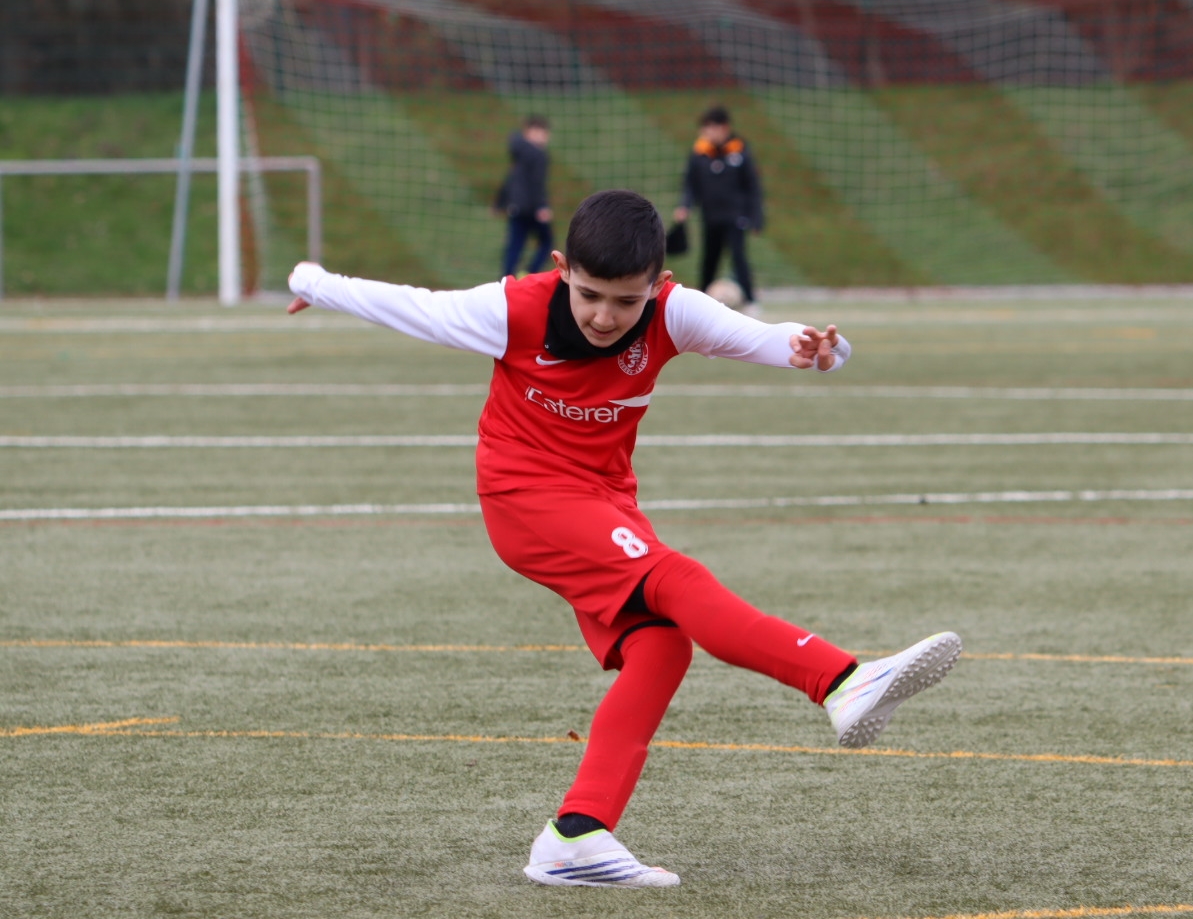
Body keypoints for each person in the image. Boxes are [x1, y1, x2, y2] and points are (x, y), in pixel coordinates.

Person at [284, 189, 960, 890]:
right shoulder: (509, 309)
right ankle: (840, 681)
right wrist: (312, 280)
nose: (605, 316)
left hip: (604, 499)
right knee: (675, 579)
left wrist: (823, 350)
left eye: (625, 301)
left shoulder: (675, 311)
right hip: (525, 497)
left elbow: (777, 341)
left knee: (661, 646)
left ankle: (575, 837)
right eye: (589, 295)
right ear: (561, 268)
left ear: (658, 286)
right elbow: (406, 305)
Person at [674, 105, 762, 312]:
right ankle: (701, 300)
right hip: (711, 216)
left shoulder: (739, 150)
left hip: (736, 216)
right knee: (709, 259)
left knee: (739, 258)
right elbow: (691, 184)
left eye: (711, 127)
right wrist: (685, 206)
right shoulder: (700, 153)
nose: (707, 132)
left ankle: (750, 300)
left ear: (724, 128)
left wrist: (756, 217)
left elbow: (752, 187)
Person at [495, 114, 553, 277]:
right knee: (547, 242)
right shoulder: (538, 154)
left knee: (515, 245)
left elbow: (511, 179)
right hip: (532, 208)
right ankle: (529, 275)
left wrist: (500, 202)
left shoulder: (519, 152)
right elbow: (536, 183)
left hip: (516, 207)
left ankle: (506, 281)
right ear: (529, 132)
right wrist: (542, 206)